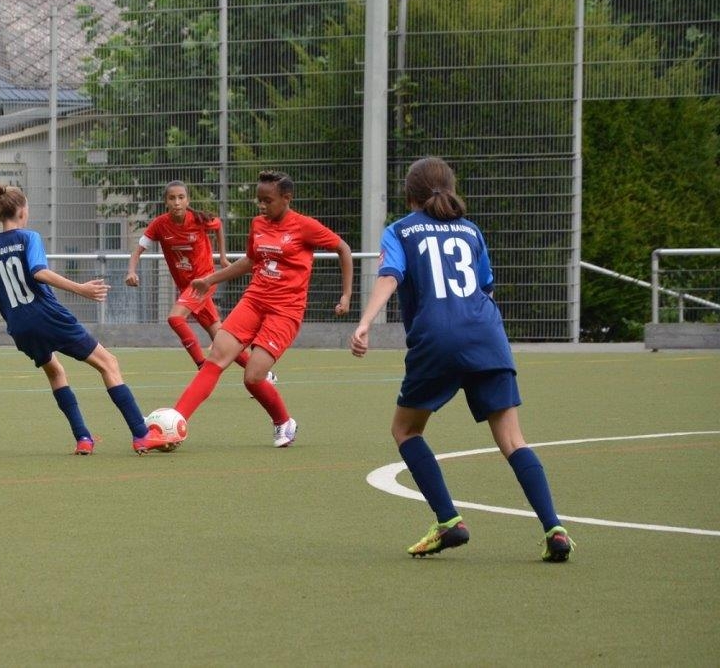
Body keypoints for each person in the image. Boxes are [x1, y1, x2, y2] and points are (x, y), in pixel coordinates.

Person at [350, 156, 573, 562]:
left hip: (437, 338)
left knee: (406, 430)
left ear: (408, 194)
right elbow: (486, 288)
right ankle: (554, 528)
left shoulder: (400, 230)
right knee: (513, 440)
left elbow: (389, 276)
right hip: (488, 336)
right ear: (449, 188)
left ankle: (448, 521)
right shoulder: (470, 231)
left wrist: (365, 322)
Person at [0, 184, 172, 456]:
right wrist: (80, 288)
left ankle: (83, 438)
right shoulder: (28, 237)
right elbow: (38, 272)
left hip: (20, 328)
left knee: (55, 371)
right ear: (22, 212)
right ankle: (141, 434)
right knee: (108, 363)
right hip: (47, 316)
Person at [170, 169, 353, 447]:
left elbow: (343, 249)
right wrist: (209, 280)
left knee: (253, 377)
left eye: (268, 200)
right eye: (259, 200)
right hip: (254, 300)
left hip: (285, 310)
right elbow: (249, 261)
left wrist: (346, 295)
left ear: (286, 198)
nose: (262, 206)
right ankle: (174, 422)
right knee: (217, 355)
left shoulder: (304, 226)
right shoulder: (258, 224)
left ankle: (284, 422)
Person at [125, 180, 277, 386]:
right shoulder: (159, 225)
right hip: (186, 287)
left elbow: (218, 225)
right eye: (172, 198)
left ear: (188, 200)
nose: (177, 202)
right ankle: (266, 377)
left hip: (204, 281)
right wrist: (131, 271)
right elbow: (137, 250)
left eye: (181, 197)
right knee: (221, 341)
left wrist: (222, 258)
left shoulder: (198, 220)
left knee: (175, 318)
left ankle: (201, 364)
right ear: (166, 202)